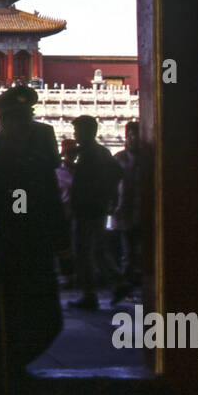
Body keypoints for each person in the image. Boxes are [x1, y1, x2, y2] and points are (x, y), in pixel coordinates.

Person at [0, 85, 68, 383]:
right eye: (15, 119)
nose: (22, 126)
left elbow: (54, 207)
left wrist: (64, 250)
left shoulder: (38, 166)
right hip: (8, 253)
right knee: (7, 324)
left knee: (50, 321)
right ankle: (6, 373)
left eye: (25, 119)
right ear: (3, 124)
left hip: (39, 250)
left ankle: (11, 366)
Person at [67, 114, 122, 311]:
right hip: (97, 207)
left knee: (82, 251)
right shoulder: (101, 151)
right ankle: (118, 282)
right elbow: (117, 173)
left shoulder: (89, 154)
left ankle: (89, 294)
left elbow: (85, 181)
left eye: (77, 130)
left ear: (87, 131)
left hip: (86, 208)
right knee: (98, 249)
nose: (75, 134)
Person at [108, 121, 142, 305]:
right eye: (130, 135)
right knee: (127, 252)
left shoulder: (150, 157)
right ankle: (126, 286)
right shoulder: (119, 158)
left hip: (143, 210)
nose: (132, 138)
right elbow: (112, 186)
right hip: (124, 211)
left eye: (135, 135)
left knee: (140, 251)